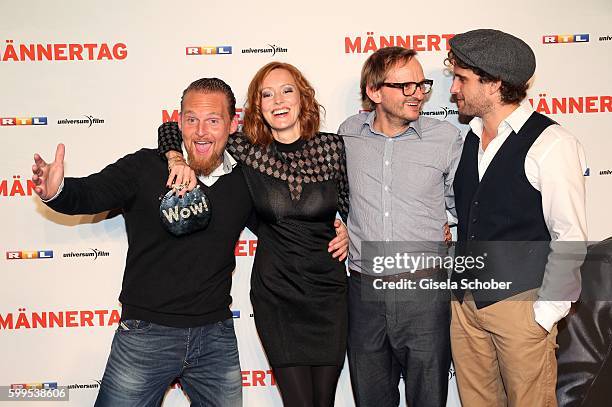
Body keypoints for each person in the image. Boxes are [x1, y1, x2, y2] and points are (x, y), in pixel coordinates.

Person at [30, 78, 251, 406]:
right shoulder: (145, 167)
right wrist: (58, 191)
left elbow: (285, 221)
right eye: (192, 119)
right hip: (146, 335)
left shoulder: (245, 179)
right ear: (179, 122)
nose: (201, 131)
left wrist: (339, 228)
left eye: (213, 120)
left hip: (215, 336)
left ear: (232, 124)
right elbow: (91, 193)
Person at [158, 62, 350, 407]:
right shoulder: (248, 149)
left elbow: (352, 206)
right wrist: (177, 159)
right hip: (278, 293)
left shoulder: (333, 148)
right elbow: (171, 129)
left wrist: (350, 231)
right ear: (258, 107)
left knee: (325, 401)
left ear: (302, 97)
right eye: (267, 94)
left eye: (286, 90)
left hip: (329, 292)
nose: (278, 100)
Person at [446, 29, 587, 407]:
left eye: (462, 78)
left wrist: (543, 316)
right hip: (465, 305)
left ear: (493, 85)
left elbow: (569, 235)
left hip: (522, 307)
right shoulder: (470, 138)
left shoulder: (551, 143)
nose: (453, 89)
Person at [338, 46, 463, 407]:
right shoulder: (349, 134)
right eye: (405, 86)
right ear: (374, 92)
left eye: (422, 84)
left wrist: (447, 224)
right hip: (364, 290)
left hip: (424, 288)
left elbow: (463, 202)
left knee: (428, 398)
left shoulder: (445, 138)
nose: (418, 93)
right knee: (371, 398)